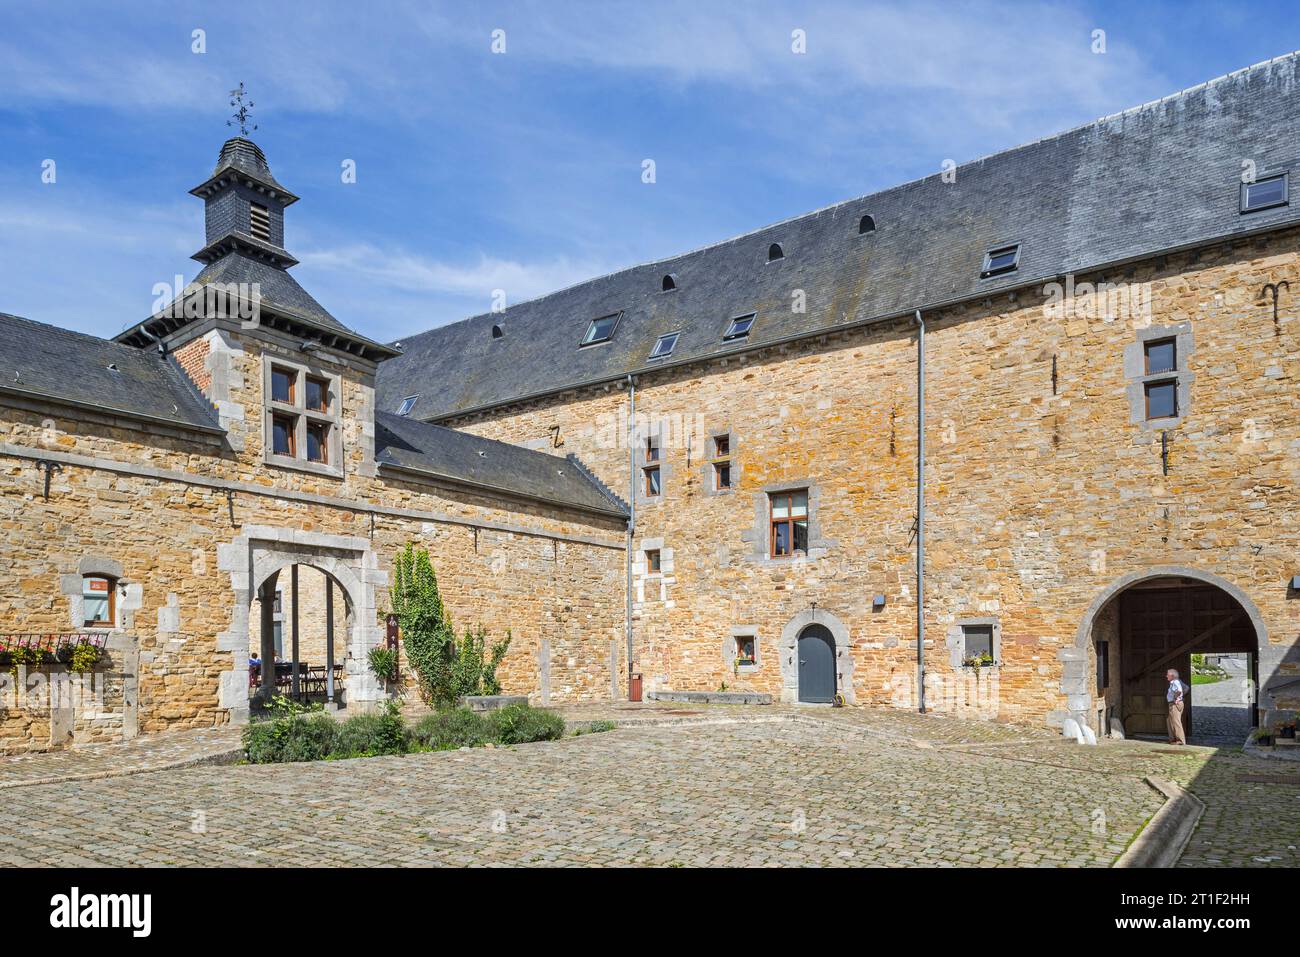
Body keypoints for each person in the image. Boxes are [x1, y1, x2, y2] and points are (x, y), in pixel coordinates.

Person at [1166, 668, 1188, 745]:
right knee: (1169, 720)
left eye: (1167, 675)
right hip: (1174, 703)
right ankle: (1173, 739)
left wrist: (1176, 698)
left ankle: (1180, 740)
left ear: (1172, 676)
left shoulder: (1175, 682)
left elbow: (1179, 691)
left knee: (1176, 721)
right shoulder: (1174, 682)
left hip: (1174, 704)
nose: (1166, 676)